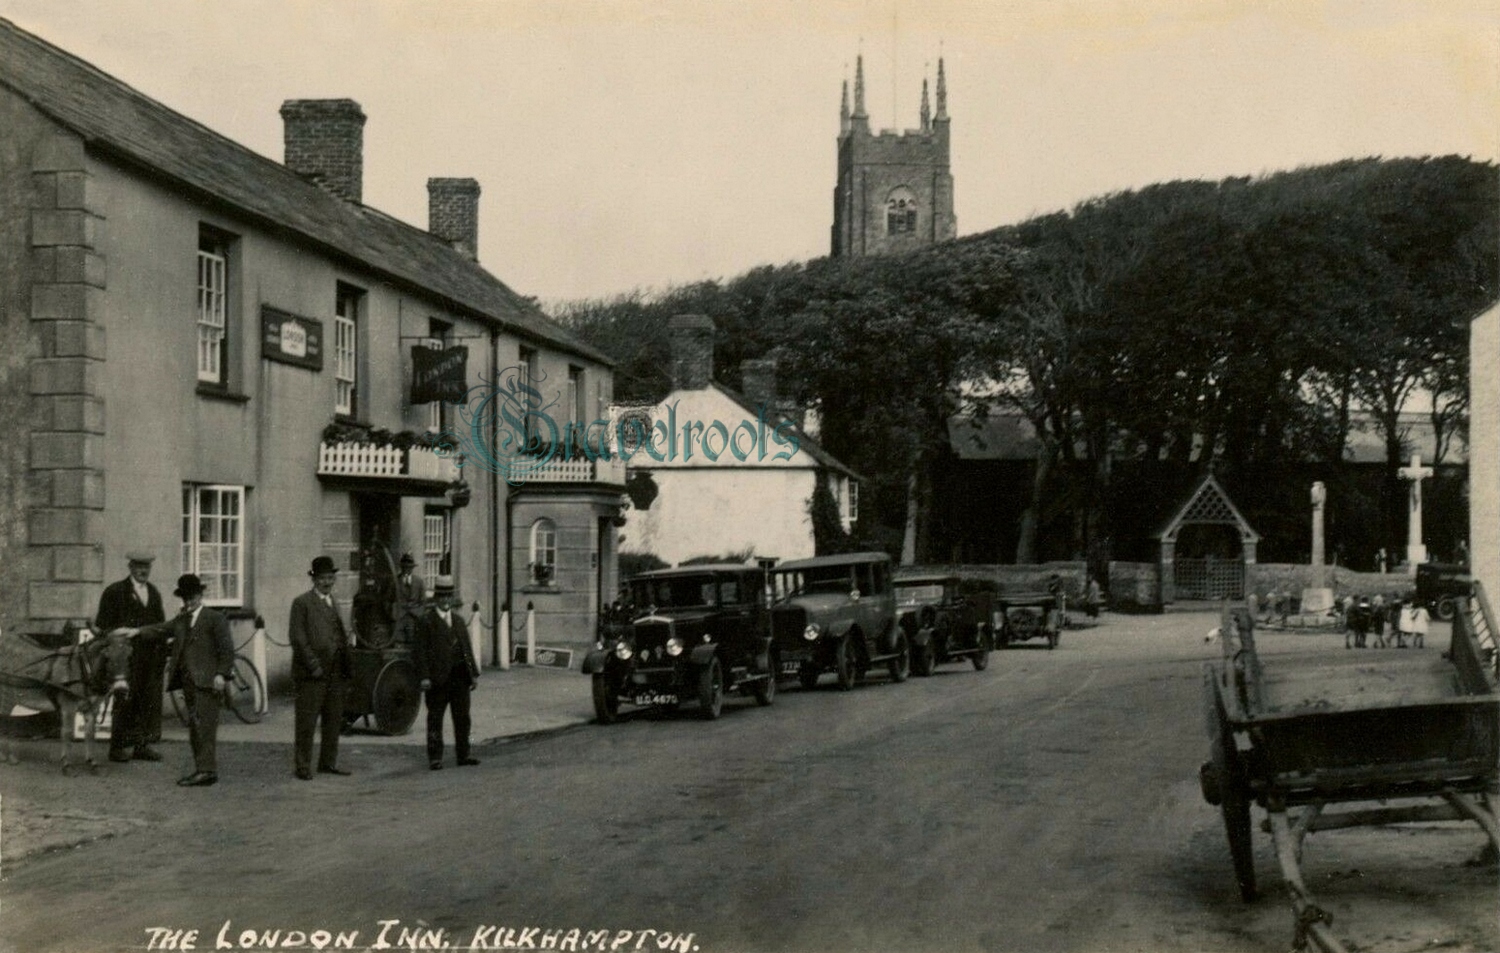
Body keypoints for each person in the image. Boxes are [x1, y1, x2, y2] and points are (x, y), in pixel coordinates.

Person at [95, 552, 168, 763]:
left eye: (147, 567)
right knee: (124, 699)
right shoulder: (115, 591)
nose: (143, 571)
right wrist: (118, 632)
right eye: (139, 566)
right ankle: (116, 747)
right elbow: (103, 626)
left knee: (145, 700)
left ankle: (140, 745)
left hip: (148, 656)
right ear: (130, 567)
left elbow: (160, 625)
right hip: (123, 659)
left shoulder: (153, 593)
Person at [288, 555, 353, 780]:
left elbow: (339, 635)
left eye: (330, 578)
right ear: (314, 580)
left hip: (335, 672)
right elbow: (298, 638)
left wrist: (346, 665)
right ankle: (303, 765)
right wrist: (313, 665)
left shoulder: (332, 602)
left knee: (333, 720)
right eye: (323, 578)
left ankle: (328, 762)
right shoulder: (302, 603)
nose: (327, 582)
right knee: (307, 721)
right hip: (311, 674)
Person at [166, 574, 233, 787]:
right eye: (185, 597)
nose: (189, 601)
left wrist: (221, 674)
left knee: (205, 727)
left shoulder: (214, 618)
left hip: (207, 682)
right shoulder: (182, 620)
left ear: (200, 595)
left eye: (193, 596)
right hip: (188, 683)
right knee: (195, 726)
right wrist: (134, 632)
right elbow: (161, 628)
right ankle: (203, 769)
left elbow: (227, 650)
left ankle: (206, 771)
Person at [413, 576, 480, 770]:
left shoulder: (458, 621)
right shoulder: (426, 621)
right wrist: (424, 676)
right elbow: (419, 652)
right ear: (435, 598)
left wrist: (473, 674)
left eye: (448, 596)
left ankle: (463, 754)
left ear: (452, 598)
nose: (445, 600)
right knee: (435, 718)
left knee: (462, 718)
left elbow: (466, 649)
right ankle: (435, 757)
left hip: (459, 677)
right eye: (441, 596)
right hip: (437, 679)